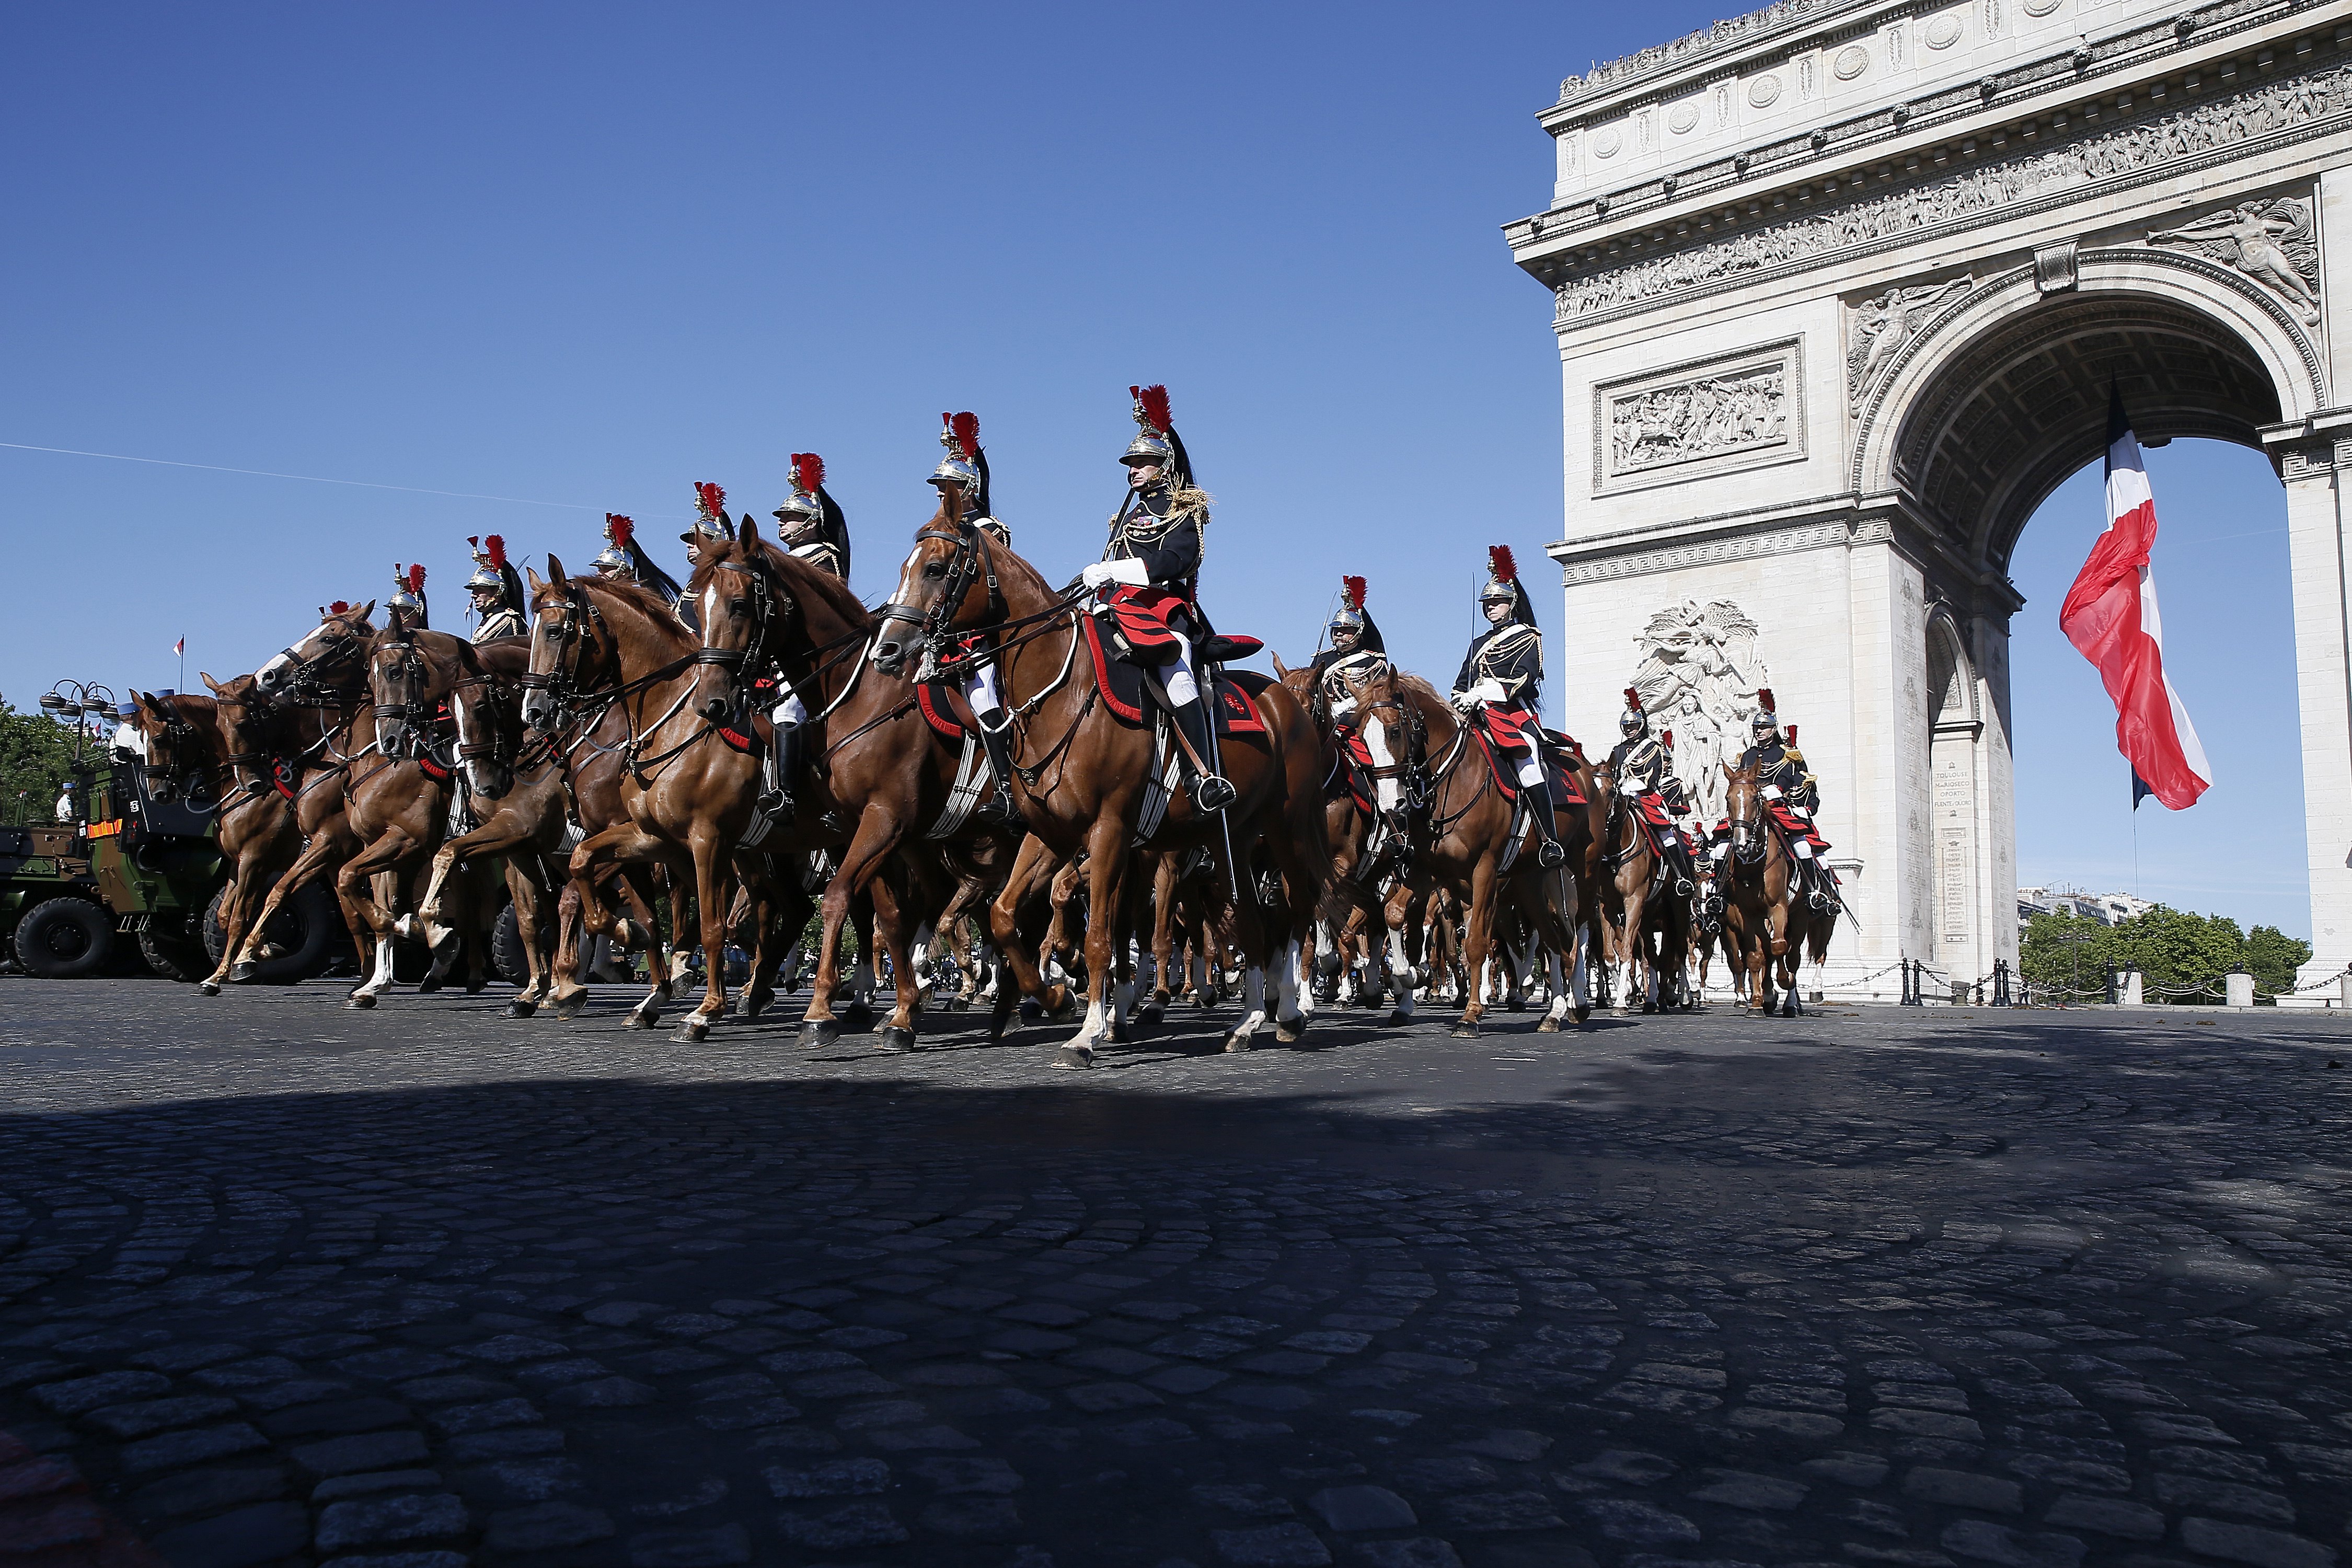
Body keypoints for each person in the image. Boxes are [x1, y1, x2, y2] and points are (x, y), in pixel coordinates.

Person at [1078, 385, 1232, 811]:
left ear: (1164, 466)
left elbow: (1175, 562)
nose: (1133, 469)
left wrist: (1113, 571)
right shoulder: (1126, 517)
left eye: (1143, 461)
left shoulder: (1186, 510)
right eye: (1130, 463)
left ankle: (1202, 775)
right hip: (1117, 609)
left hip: (1164, 611)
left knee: (1177, 670)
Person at [928, 416, 1020, 824]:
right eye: (937, 489)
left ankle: (1005, 788)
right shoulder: (939, 534)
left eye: (945, 489)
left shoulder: (988, 531)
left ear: (968, 491)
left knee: (983, 697)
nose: (939, 496)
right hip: (942, 634)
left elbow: (990, 594)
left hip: (980, 636)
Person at [1450, 547, 1566, 869]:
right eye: (1486, 604)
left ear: (1512, 602)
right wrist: (1461, 696)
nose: (1490, 608)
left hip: (1511, 713)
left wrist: (1485, 692)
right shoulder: (1477, 644)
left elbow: (1525, 681)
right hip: (1475, 712)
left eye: (1496, 602)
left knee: (1528, 760)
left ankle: (1550, 839)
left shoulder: (1529, 637)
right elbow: (1461, 680)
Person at [755, 455, 852, 825]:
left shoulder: (822, 556)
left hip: (812, 654)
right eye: (781, 516)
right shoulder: (777, 561)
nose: (782, 521)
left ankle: (787, 793)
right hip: (777, 652)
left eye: (791, 516)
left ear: (812, 522)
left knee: (787, 711)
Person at [1737, 691, 1837, 910]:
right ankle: (1718, 892)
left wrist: (1781, 792)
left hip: (1777, 807)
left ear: (1773, 729)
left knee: (1801, 846)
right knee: (1723, 845)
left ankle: (1813, 891)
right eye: (1756, 728)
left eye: (1764, 728)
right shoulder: (1748, 756)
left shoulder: (1786, 754)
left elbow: (1793, 780)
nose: (1759, 731)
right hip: (1752, 809)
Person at [1607, 688, 1699, 896]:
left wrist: (1634, 787)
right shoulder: (1618, 750)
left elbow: (1652, 776)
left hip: (1645, 798)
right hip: (1622, 798)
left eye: (1633, 725)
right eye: (1626, 726)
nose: (1630, 729)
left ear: (1641, 725)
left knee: (1667, 832)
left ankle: (1681, 877)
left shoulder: (1653, 748)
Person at [592, 513, 683, 607]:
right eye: (599, 569)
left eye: (606, 568)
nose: (599, 573)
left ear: (624, 570)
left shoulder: (641, 602)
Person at [464, 536, 526, 643]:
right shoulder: (487, 622)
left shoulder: (509, 620)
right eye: (473, 590)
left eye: (480, 589)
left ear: (498, 591)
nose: (473, 595)